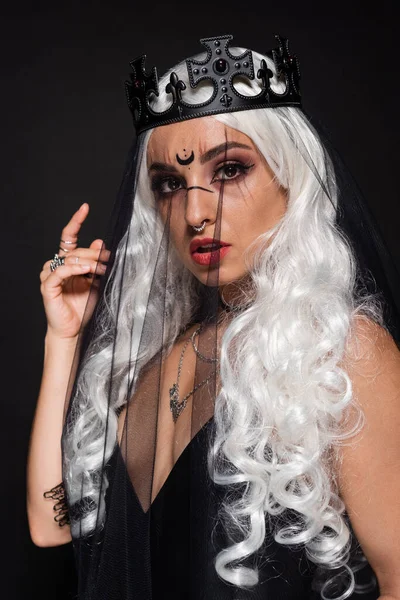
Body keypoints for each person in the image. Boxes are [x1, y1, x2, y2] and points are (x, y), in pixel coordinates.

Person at [26, 34, 400, 600]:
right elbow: (52, 526)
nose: (197, 212)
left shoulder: (342, 354)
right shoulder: (162, 358)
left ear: (289, 177)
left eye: (228, 170)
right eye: (170, 185)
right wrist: (63, 340)